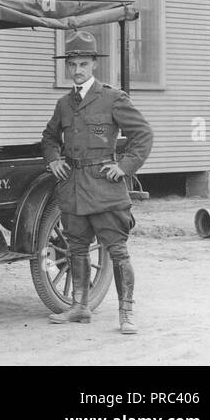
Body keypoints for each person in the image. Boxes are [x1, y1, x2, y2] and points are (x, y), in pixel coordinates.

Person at [41, 30, 153, 334]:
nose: (77, 70)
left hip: (105, 187)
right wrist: (53, 159)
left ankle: (126, 313)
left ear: (94, 65)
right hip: (73, 187)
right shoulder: (64, 103)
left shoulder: (113, 98)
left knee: (117, 250)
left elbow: (143, 134)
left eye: (83, 64)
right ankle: (80, 306)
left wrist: (125, 167)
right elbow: (50, 137)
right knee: (77, 247)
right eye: (72, 64)